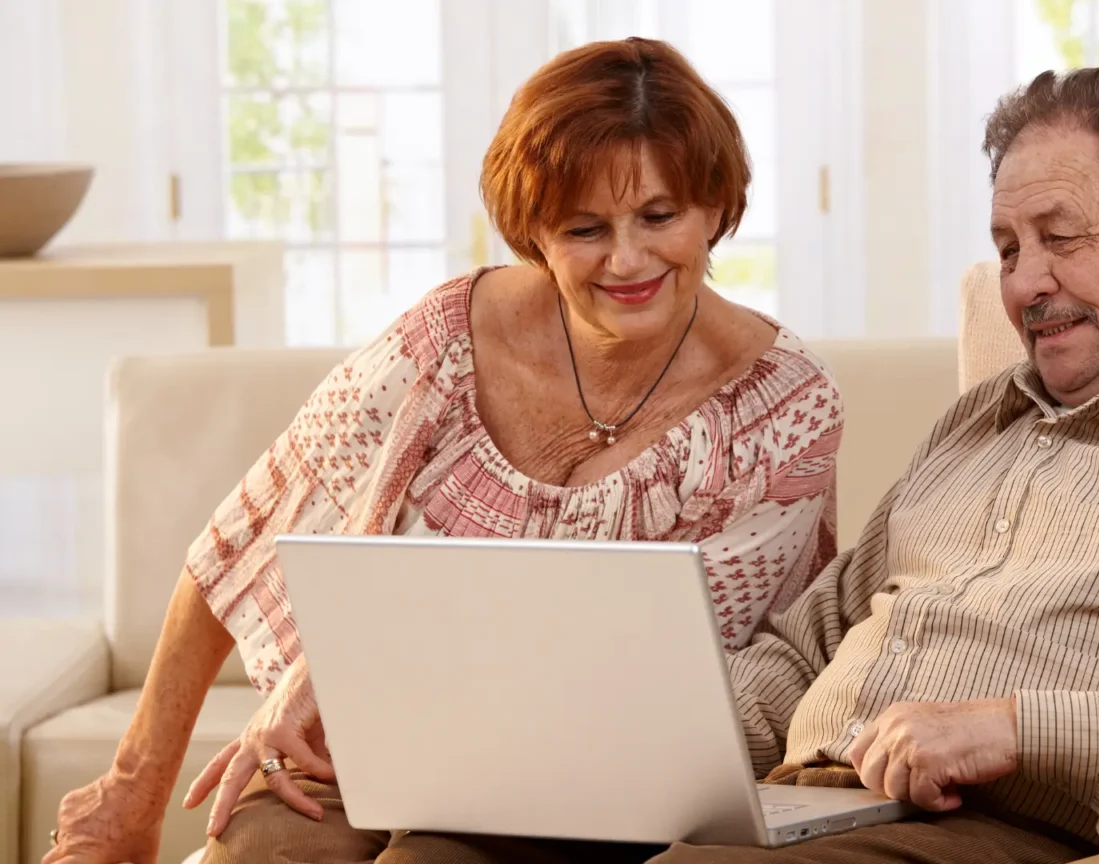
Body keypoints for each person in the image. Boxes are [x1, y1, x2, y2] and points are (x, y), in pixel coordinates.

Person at [354, 63, 1099, 864]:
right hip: (806, 798)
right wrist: (632, 736)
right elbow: (814, 634)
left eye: (1061, 237)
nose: (1026, 283)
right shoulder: (982, 424)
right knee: (448, 848)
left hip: (984, 831)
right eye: (1005, 248)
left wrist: (1014, 731)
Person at [43, 37, 842, 864]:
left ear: (715, 206)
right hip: (358, 751)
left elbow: (673, 688)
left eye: (659, 215)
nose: (627, 259)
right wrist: (129, 793)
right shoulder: (444, 337)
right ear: (534, 230)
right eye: (583, 227)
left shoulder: (784, 411)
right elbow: (238, 539)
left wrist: (371, 679)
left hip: (584, 791)